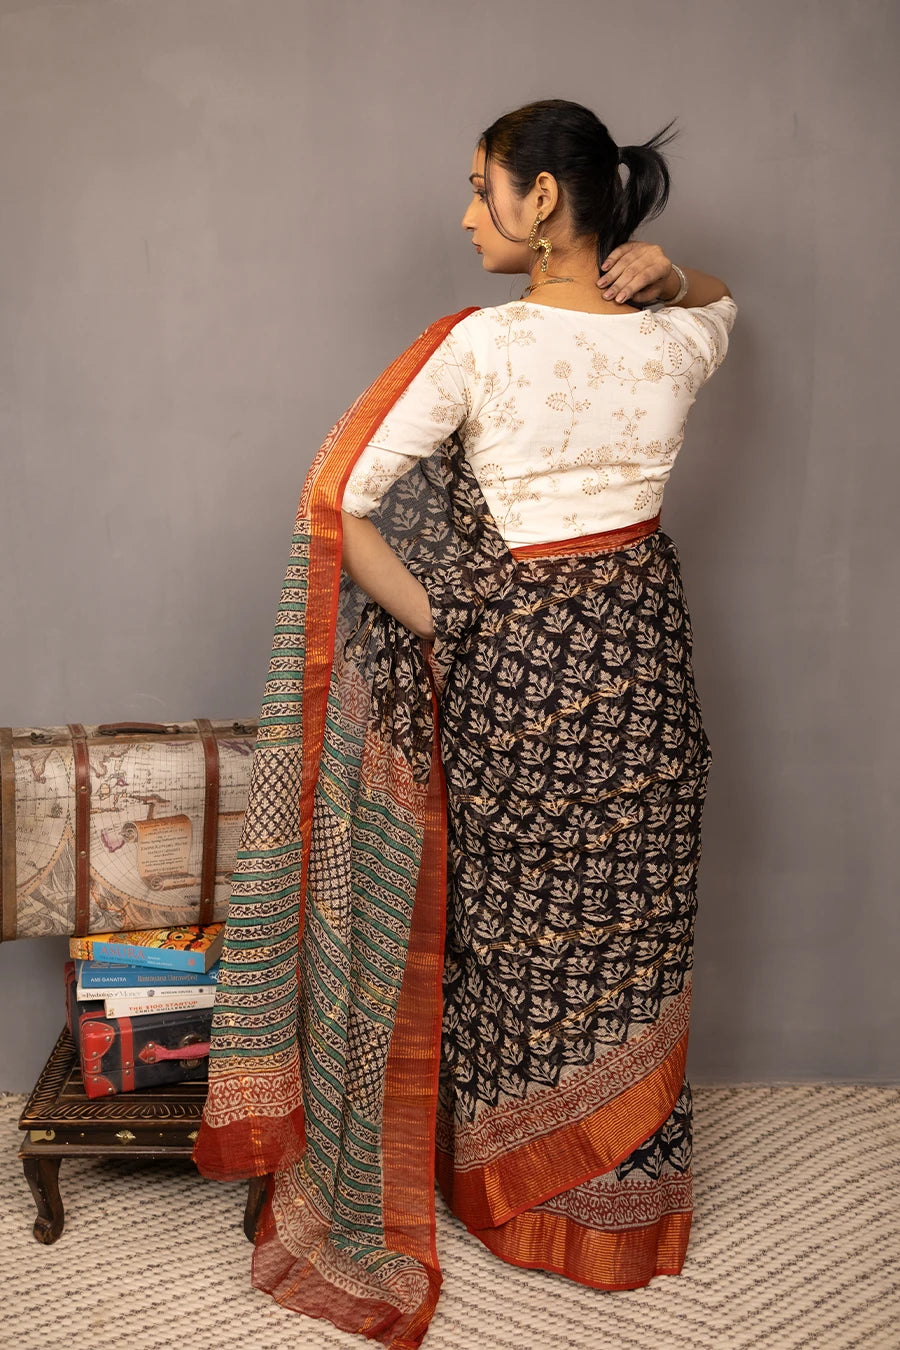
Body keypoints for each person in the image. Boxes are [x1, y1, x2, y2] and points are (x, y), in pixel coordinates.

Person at [192, 99, 736, 1350]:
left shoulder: (481, 347)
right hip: (649, 668)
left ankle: (507, 1192)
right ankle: (618, 1214)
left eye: (479, 185)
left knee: (511, 928)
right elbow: (724, 301)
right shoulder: (684, 339)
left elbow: (342, 501)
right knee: (633, 929)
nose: (463, 211)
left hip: (520, 677)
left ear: (544, 202)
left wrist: (445, 619)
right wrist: (672, 269)